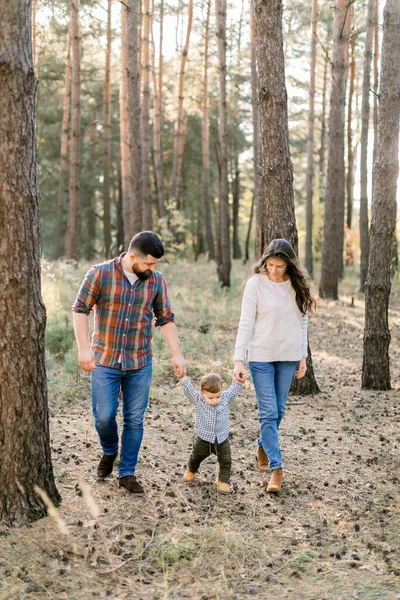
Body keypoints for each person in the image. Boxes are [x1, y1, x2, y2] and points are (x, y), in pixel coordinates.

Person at [72, 231, 186, 494]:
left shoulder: (156, 281)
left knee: (134, 419)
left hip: (140, 361)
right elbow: (80, 310)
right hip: (104, 360)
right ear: (132, 256)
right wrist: (83, 349)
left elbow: (165, 319)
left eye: (155, 264)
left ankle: (127, 473)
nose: (152, 269)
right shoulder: (100, 274)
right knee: (104, 417)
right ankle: (110, 450)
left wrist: (176, 354)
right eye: (148, 264)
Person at [233, 239, 315, 493]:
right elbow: (246, 322)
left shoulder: (297, 286)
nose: (275, 270)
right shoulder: (255, 284)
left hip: (289, 355)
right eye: (270, 264)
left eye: (280, 266)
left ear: (289, 265)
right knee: (268, 412)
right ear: (264, 261)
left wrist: (302, 357)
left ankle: (262, 443)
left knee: (278, 411)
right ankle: (276, 469)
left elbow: (302, 323)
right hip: (260, 356)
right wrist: (238, 359)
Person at [178, 372, 246, 494]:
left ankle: (222, 481)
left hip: (222, 439)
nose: (215, 400)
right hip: (203, 439)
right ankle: (191, 471)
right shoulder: (198, 400)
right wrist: (183, 378)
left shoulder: (225, 398)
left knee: (226, 461)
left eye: (217, 396)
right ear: (202, 394)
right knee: (195, 457)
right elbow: (189, 391)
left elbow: (233, 391)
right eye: (211, 398)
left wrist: (239, 381)